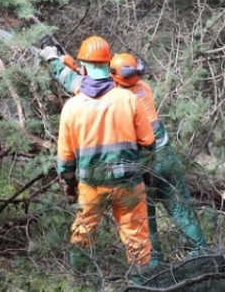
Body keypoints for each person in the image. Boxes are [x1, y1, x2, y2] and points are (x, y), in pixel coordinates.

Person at [41, 46, 208, 265]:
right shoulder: (143, 88)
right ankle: (203, 254)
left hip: (141, 161)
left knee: (141, 222)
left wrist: (54, 60)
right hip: (165, 156)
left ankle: (153, 266)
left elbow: (74, 82)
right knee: (179, 205)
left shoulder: (118, 96)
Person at [54, 36, 156, 279]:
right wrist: (143, 174)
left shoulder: (72, 107)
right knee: (137, 237)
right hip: (128, 182)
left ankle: (78, 281)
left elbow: (65, 160)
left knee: (83, 232)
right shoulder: (127, 98)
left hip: (91, 185)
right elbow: (149, 144)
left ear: (84, 66)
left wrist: (70, 186)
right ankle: (142, 284)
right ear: (108, 63)